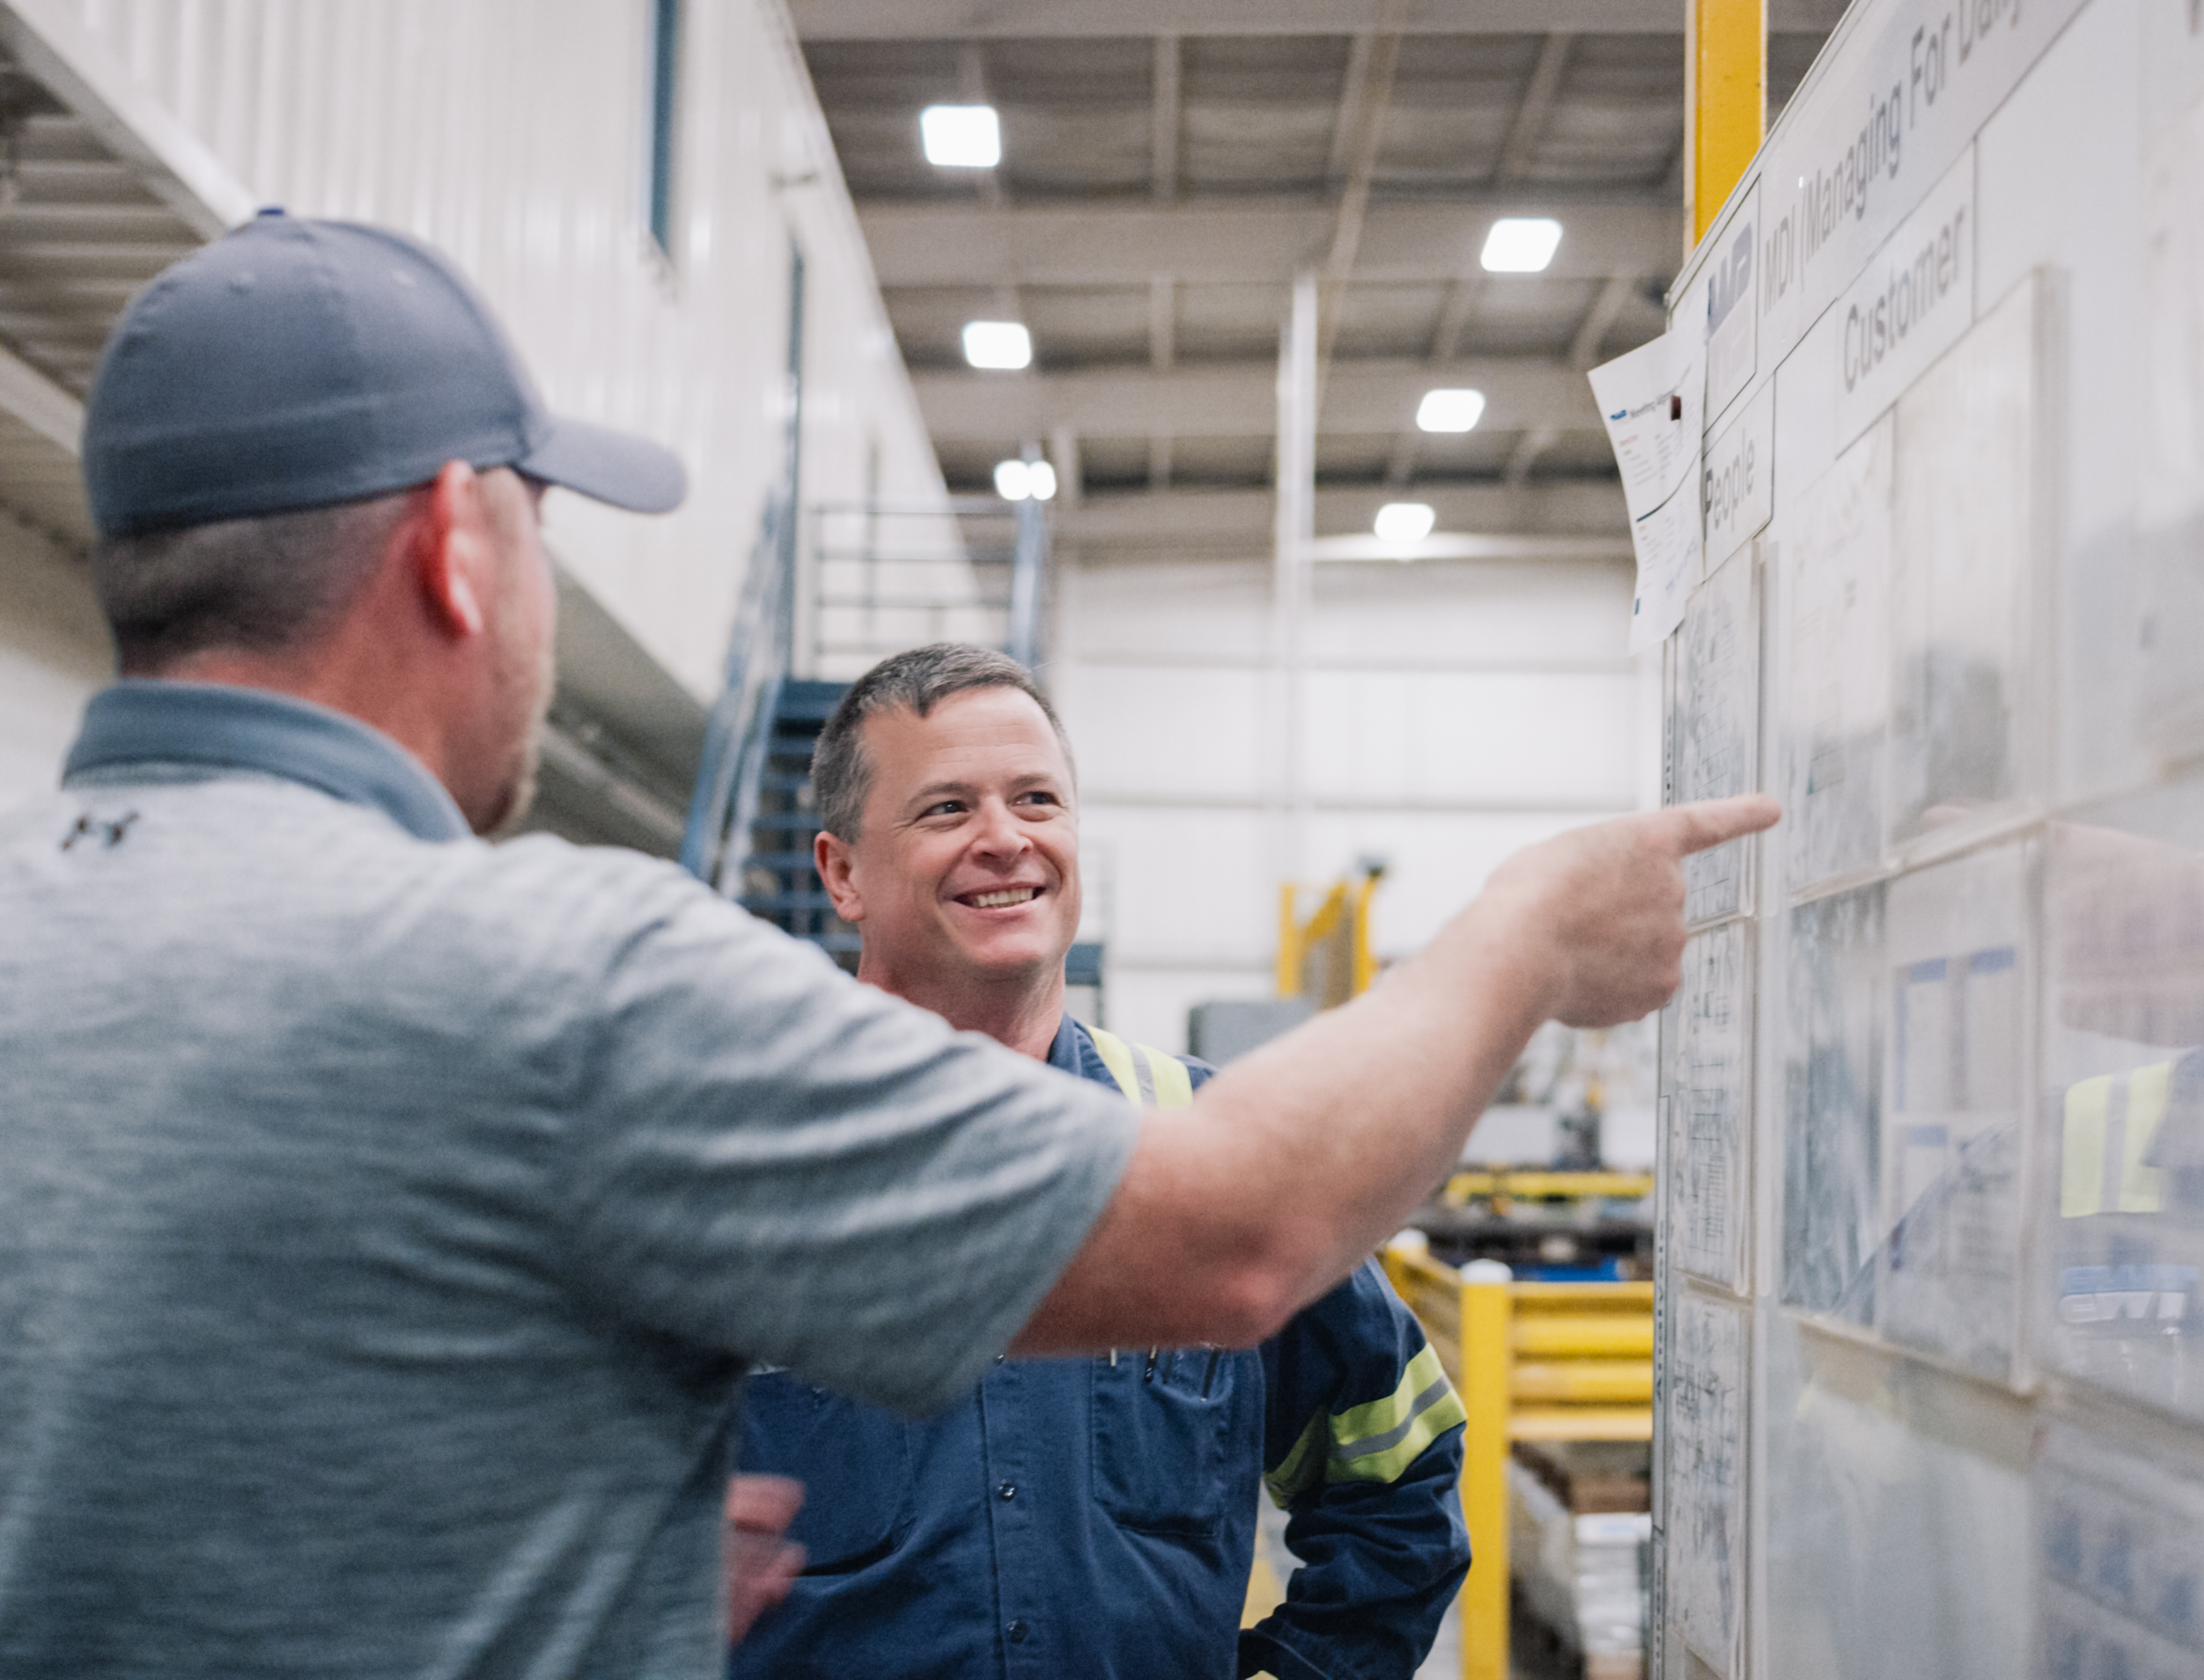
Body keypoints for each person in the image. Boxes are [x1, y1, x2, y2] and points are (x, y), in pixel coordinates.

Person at [0, 212, 1774, 1678]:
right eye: (543, 529)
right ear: (458, 546)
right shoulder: (563, 986)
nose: (1004, 840)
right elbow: (1240, 1236)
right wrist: (1522, 936)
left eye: (1039, 799)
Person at [732, 645, 1465, 1680]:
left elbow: (1398, 1462)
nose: (1005, 840)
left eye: (1037, 800)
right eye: (946, 810)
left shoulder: (1209, 1150)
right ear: (843, 872)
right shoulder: (729, 1168)